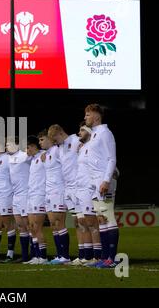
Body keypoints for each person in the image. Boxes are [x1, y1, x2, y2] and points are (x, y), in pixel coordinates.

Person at [84, 104, 118, 268]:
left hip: (103, 182)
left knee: (108, 219)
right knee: (101, 220)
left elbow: (112, 159)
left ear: (97, 116)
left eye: (88, 114)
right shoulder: (95, 134)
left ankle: (111, 259)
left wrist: (106, 180)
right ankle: (104, 258)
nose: (85, 117)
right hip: (95, 182)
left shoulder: (105, 133)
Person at [48, 124, 82, 263]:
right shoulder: (59, 148)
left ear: (60, 133)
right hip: (68, 189)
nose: (54, 143)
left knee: (84, 222)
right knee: (77, 222)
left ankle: (89, 254)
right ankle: (83, 254)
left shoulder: (75, 141)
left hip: (79, 187)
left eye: (55, 139)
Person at [73, 122, 103, 266]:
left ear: (89, 131)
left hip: (90, 189)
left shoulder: (95, 146)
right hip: (80, 189)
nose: (79, 132)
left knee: (93, 224)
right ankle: (88, 256)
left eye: (81, 130)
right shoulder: (82, 148)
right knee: (83, 223)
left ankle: (98, 257)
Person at [39, 130, 70, 264]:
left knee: (59, 223)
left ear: (50, 139)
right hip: (49, 192)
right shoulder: (46, 154)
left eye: (42, 139)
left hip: (58, 191)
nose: (40, 142)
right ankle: (59, 255)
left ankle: (65, 256)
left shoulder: (58, 150)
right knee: (52, 224)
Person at [7, 136, 31, 263]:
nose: (6, 146)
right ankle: (25, 256)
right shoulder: (7, 158)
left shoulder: (24, 155)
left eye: (9, 144)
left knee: (29, 226)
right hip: (15, 196)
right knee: (21, 227)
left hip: (25, 195)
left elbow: (38, 155)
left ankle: (35, 254)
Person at [25, 136, 47, 264]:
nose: (26, 150)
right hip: (31, 195)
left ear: (34, 146)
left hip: (40, 195)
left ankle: (43, 257)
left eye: (28, 147)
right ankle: (36, 256)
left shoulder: (44, 155)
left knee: (37, 227)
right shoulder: (32, 159)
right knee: (31, 227)